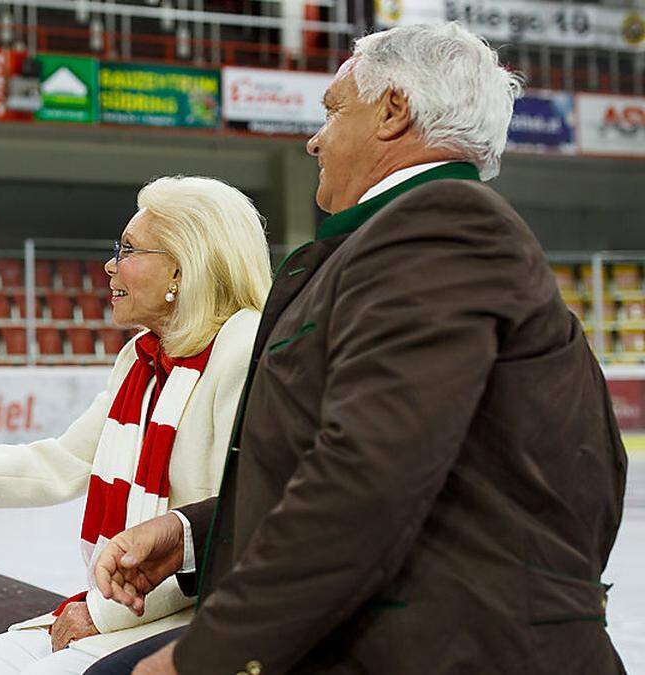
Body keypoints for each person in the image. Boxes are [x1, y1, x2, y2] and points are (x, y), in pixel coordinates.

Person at [87, 22, 628, 675]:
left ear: (393, 111)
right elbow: (383, 464)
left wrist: (205, 656)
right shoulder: (401, 238)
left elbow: (366, 477)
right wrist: (193, 534)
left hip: (448, 649)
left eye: (333, 111)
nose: (315, 139)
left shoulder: (439, 229)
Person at [0, 175, 271, 674]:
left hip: (198, 612)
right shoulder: (141, 359)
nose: (110, 265)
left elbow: (230, 524)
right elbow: (64, 461)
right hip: (131, 605)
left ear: (182, 268)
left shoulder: (243, 349)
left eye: (128, 249)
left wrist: (101, 613)